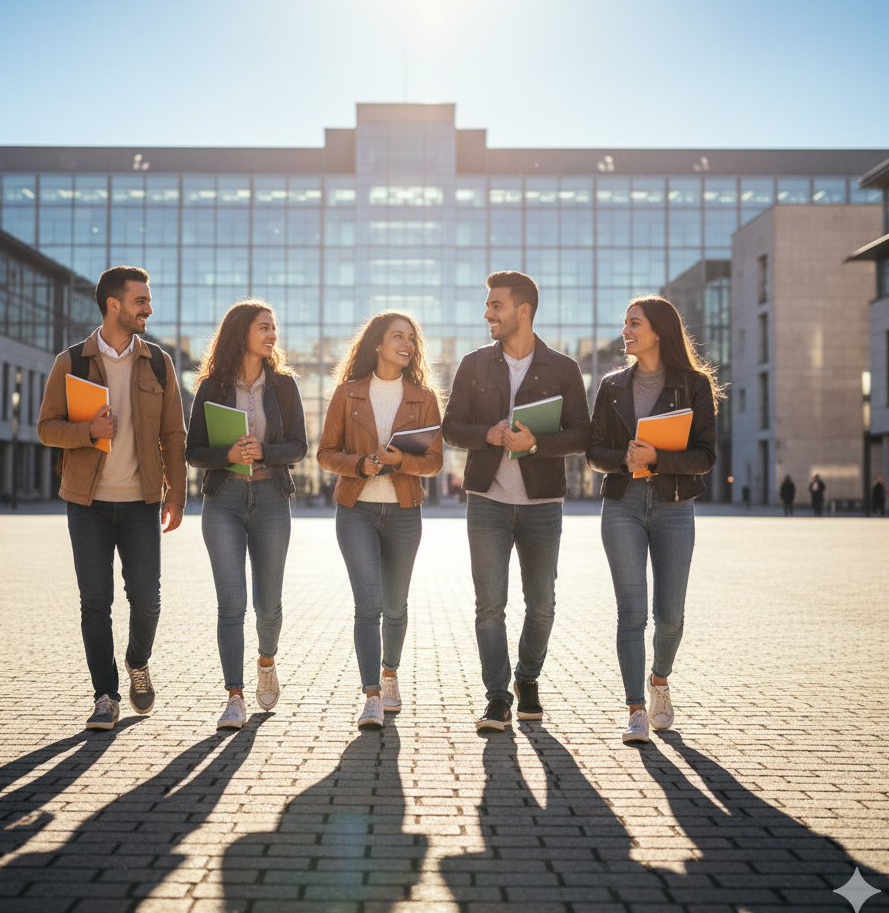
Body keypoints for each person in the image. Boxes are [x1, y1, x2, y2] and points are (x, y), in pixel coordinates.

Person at [38, 266, 186, 731]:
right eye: (141, 300)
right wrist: (88, 431)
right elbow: (46, 428)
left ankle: (137, 661)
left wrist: (176, 493)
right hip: (88, 504)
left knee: (147, 601)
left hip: (142, 502)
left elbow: (172, 435)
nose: (149, 308)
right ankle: (105, 695)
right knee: (94, 602)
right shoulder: (72, 361)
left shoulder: (158, 362)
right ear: (114, 305)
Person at [442, 272, 590, 731]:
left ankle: (528, 678)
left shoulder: (563, 368)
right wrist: (487, 434)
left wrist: (535, 445)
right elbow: (451, 427)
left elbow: (582, 434)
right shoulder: (473, 364)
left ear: (522, 311)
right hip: (486, 500)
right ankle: (497, 697)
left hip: (542, 503)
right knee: (489, 605)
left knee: (541, 604)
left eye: (496, 306)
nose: (488, 313)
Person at [586, 294, 721, 745]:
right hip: (622, 504)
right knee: (631, 613)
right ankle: (635, 710)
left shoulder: (693, 384)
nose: (626, 331)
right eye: (625, 323)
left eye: (634, 323)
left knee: (670, 616)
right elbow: (593, 451)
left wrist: (658, 458)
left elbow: (705, 456)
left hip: (674, 506)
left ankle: (659, 681)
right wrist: (626, 458)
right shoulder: (611, 385)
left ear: (659, 330)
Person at [185, 300, 307, 731]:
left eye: (274, 327)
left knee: (268, 605)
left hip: (272, 499)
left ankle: (267, 660)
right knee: (231, 602)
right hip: (225, 501)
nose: (273, 334)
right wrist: (228, 455)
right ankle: (234, 696)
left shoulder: (285, 386)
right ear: (241, 333)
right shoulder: (211, 387)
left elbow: (298, 447)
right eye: (264, 327)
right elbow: (193, 451)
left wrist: (264, 451)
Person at [317, 312, 443, 730]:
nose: (406, 343)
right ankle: (371, 694)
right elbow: (325, 453)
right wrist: (361, 464)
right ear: (377, 344)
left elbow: (434, 461)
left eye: (411, 338)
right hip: (356, 510)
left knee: (395, 606)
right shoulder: (347, 394)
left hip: (405, 512)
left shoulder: (423, 398)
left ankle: (390, 673)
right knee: (368, 605)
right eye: (397, 336)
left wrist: (400, 460)